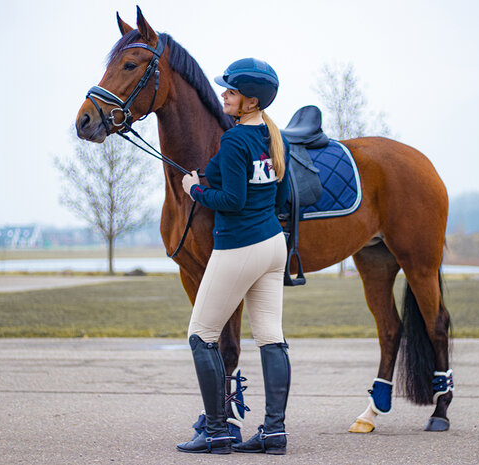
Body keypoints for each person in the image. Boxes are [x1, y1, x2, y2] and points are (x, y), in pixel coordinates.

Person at [176, 58, 291, 455]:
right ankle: (274, 433)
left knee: (200, 336)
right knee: (271, 339)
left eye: (231, 90)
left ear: (250, 101)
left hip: (240, 246)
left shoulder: (235, 140)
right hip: (274, 246)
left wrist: (195, 190)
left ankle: (216, 430)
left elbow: (232, 201)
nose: (223, 93)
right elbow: (280, 197)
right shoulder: (277, 140)